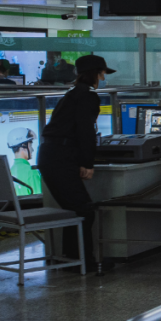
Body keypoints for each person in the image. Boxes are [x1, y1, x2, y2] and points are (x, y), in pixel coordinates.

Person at [37, 55, 114, 272]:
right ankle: (82, 262)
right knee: (83, 209)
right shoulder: (88, 97)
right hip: (61, 156)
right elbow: (85, 131)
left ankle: (73, 258)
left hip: (52, 154)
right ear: (95, 74)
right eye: (103, 74)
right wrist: (87, 163)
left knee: (76, 209)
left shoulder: (72, 94)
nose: (103, 78)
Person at [7, 128, 41, 196]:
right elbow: (40, 200)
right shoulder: (31, 172)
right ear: (23, 146)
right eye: (30, 145)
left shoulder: (10, 172)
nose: (32, 149)